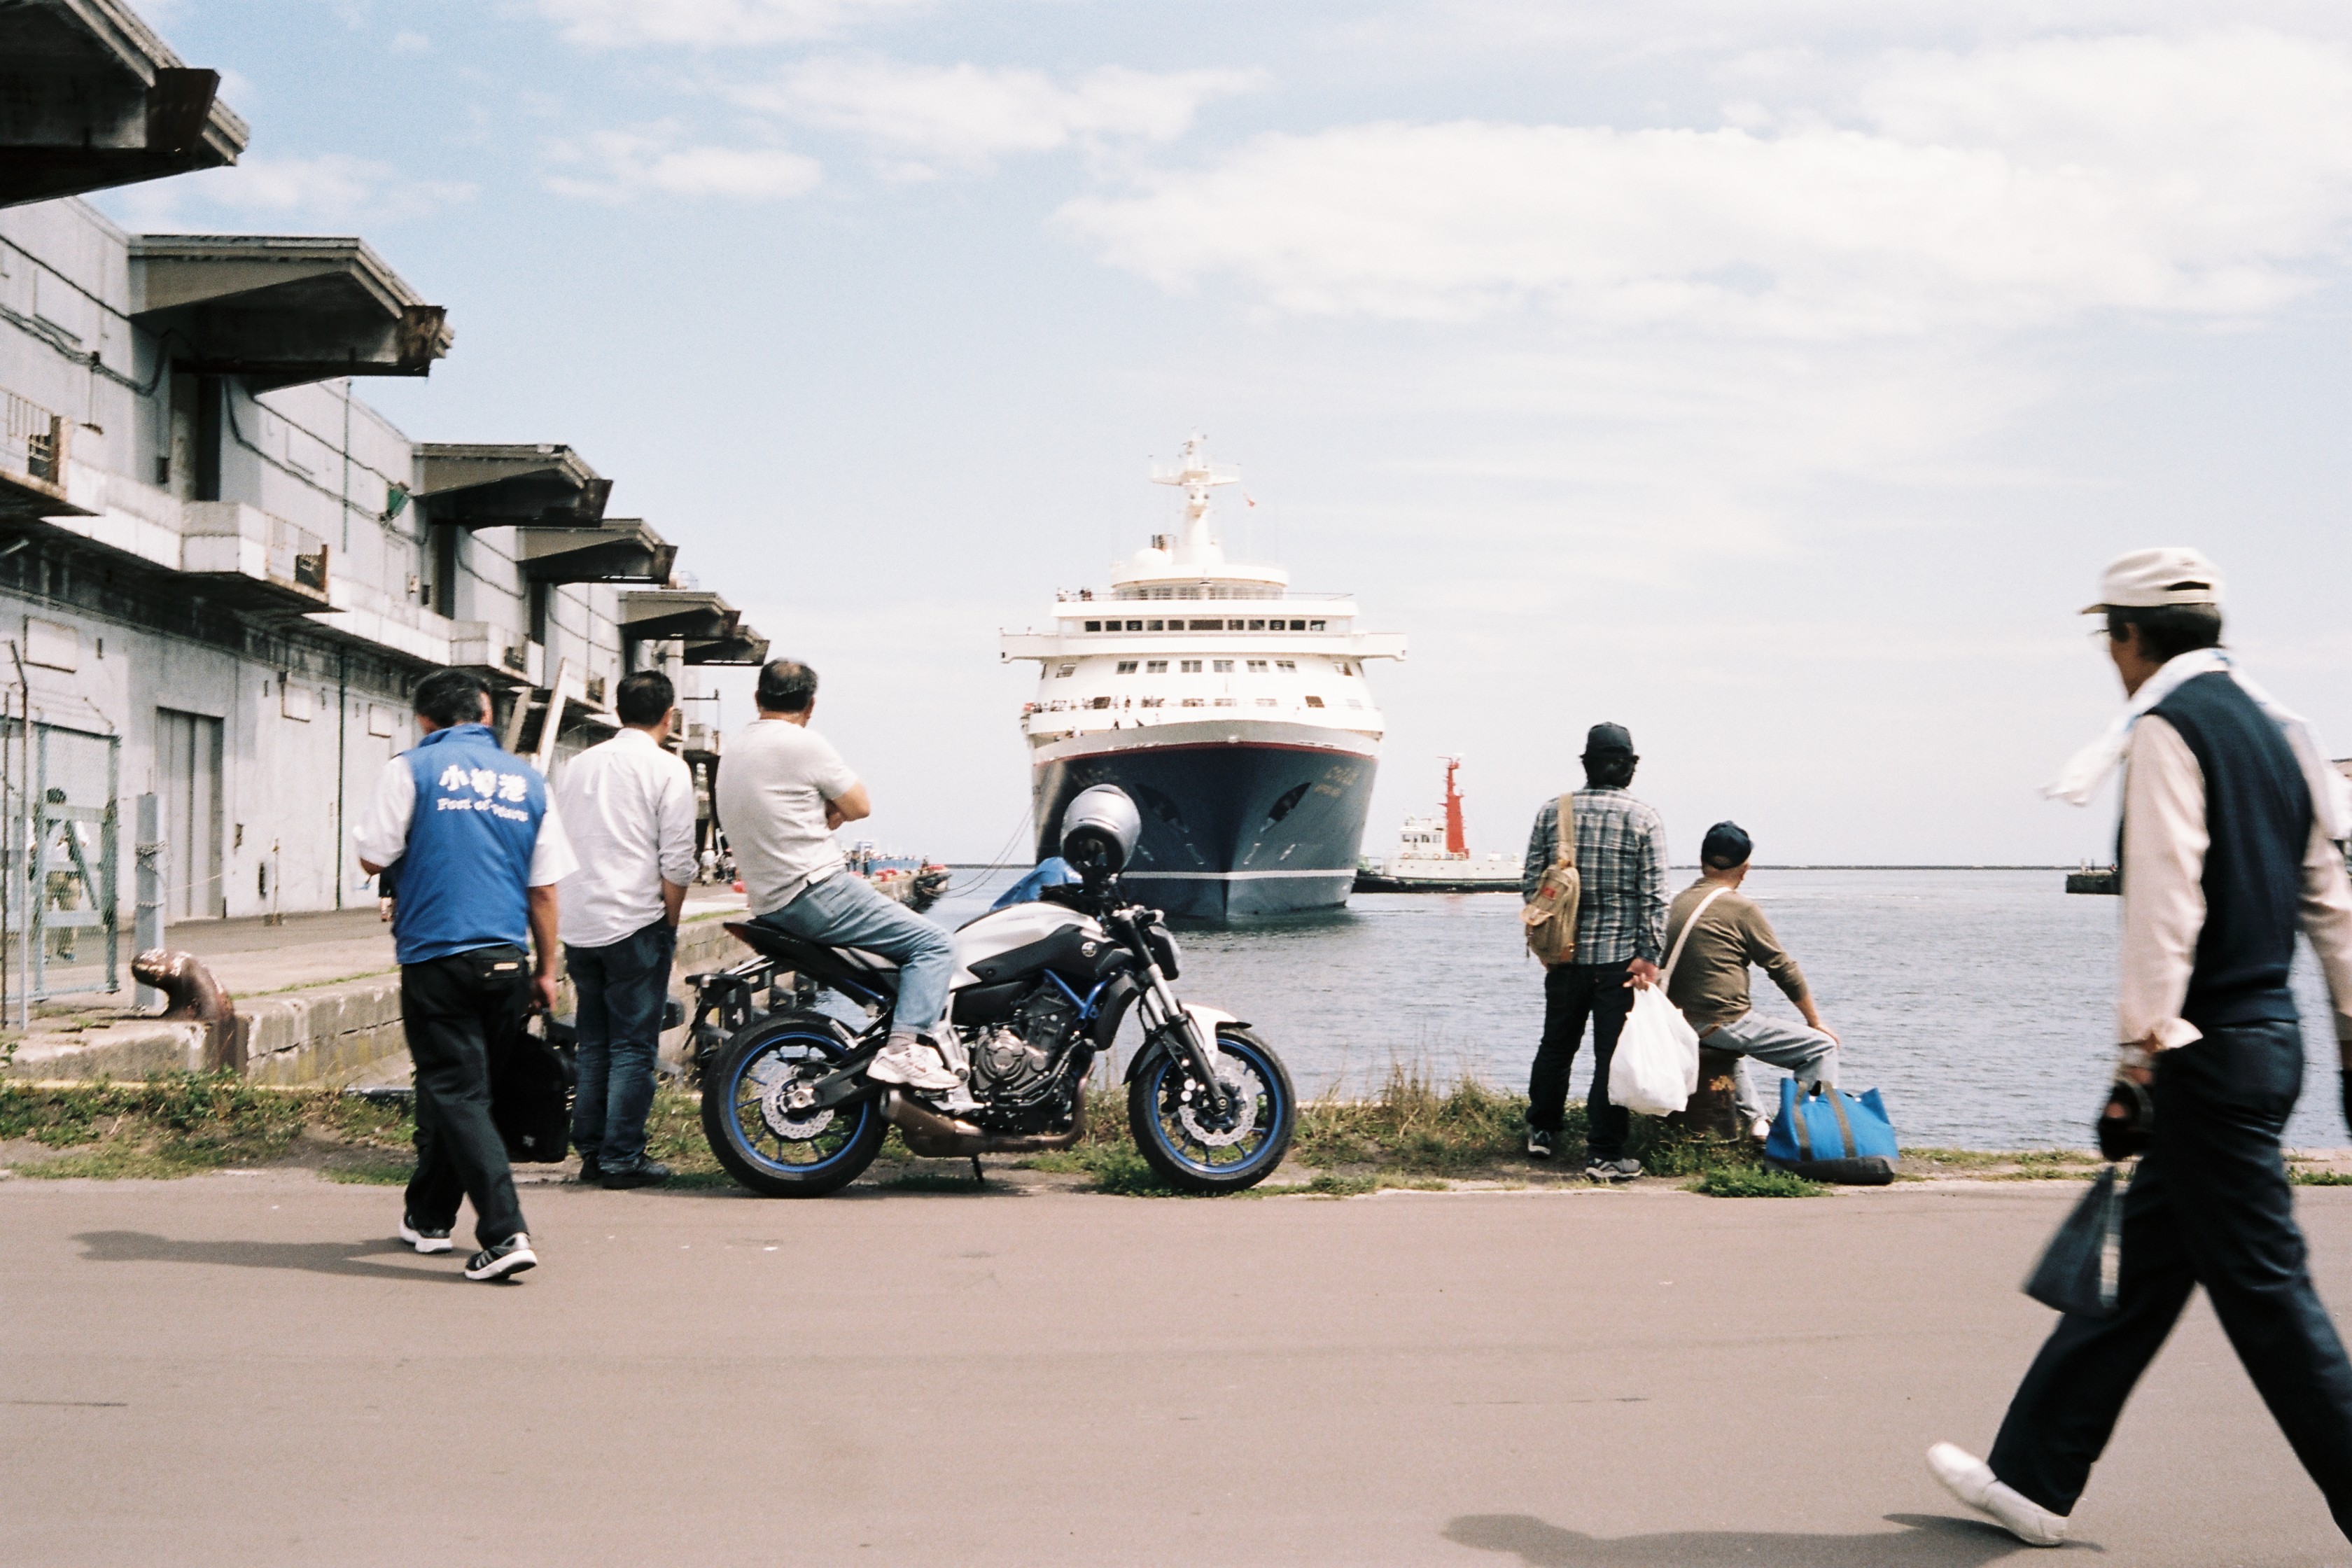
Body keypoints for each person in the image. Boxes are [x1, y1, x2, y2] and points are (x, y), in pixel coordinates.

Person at [1930, 547, 2352, 1546]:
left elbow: (2167, 905)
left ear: (2128, 637)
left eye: (2109, 641)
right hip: (2272, 1041)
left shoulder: (2170, 728)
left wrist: (2137, 1062)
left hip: (2203, 1051)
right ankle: (2032, 1477)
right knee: (2147, 1267)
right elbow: (2331, 903)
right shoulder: (2283, 731)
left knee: (2269, 1296)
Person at [354, 668, 575, 1283]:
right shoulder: (529, 781)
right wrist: (547, 971)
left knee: (456, 1092)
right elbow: (544, 888)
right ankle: (428, 1216)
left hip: (438, 957)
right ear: (486, 716)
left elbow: (372, 855)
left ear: (424, 719)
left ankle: (505, 1233)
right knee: (470, 1093)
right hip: (507, 962)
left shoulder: (410, 769)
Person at [713, 659, 962, 1093]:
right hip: (816, 891)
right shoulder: (803, 744)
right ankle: (904, 1050)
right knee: (935, 946)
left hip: (769, 901)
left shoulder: (735, 749)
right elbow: (860, 805)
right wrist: (833, 810)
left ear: (757, 699)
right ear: (810, 705)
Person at [554, 669, 696, 1189]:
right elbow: (677, 861)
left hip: (579, 923)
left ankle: (593, 1152)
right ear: (669, 716)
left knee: (593, 1043)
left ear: (617, 712)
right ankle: (621, 1158)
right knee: (634, 1047)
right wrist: (669, 925)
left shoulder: (575, 767)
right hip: (636, 922)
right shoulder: (668, 769)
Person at [1521, 722, 1668, 1182]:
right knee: (1611, 1057)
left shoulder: (1553, 812)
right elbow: (1655, 897)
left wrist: (1543, 943)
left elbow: (1531, 885)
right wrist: (1649, 956)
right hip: (1620, 961)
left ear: (1586, 764)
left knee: (1556, 1046)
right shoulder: (1644, 819)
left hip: (1563, 956)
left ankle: (1542, 1131)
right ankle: (1603, 1153)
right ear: (1630, 768)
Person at [1661, 820, 1839, 1138]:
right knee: (1821, 1048)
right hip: (1718, 1020)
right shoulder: (1742, 909)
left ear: (1702, 861)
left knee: (1728, 1043)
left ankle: (1757, 1124)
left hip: (1676, 1019)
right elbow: (1782, 968)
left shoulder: (1678, 902)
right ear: (1745, 868)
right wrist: (1815, 1022)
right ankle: (1805, 1136)